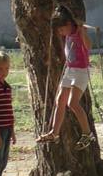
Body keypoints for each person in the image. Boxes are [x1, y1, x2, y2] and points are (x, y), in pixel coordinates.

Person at [37, 8, 95, 149]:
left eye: (61, 30)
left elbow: (89, 47)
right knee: (60, 100)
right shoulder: (68, 32)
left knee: (72, 103)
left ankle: (88, 134)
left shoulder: (79, 32)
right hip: (70, 70)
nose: (60, 33)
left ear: (69, 24)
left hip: (81, 71)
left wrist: (82, 31)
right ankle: (54, 133)